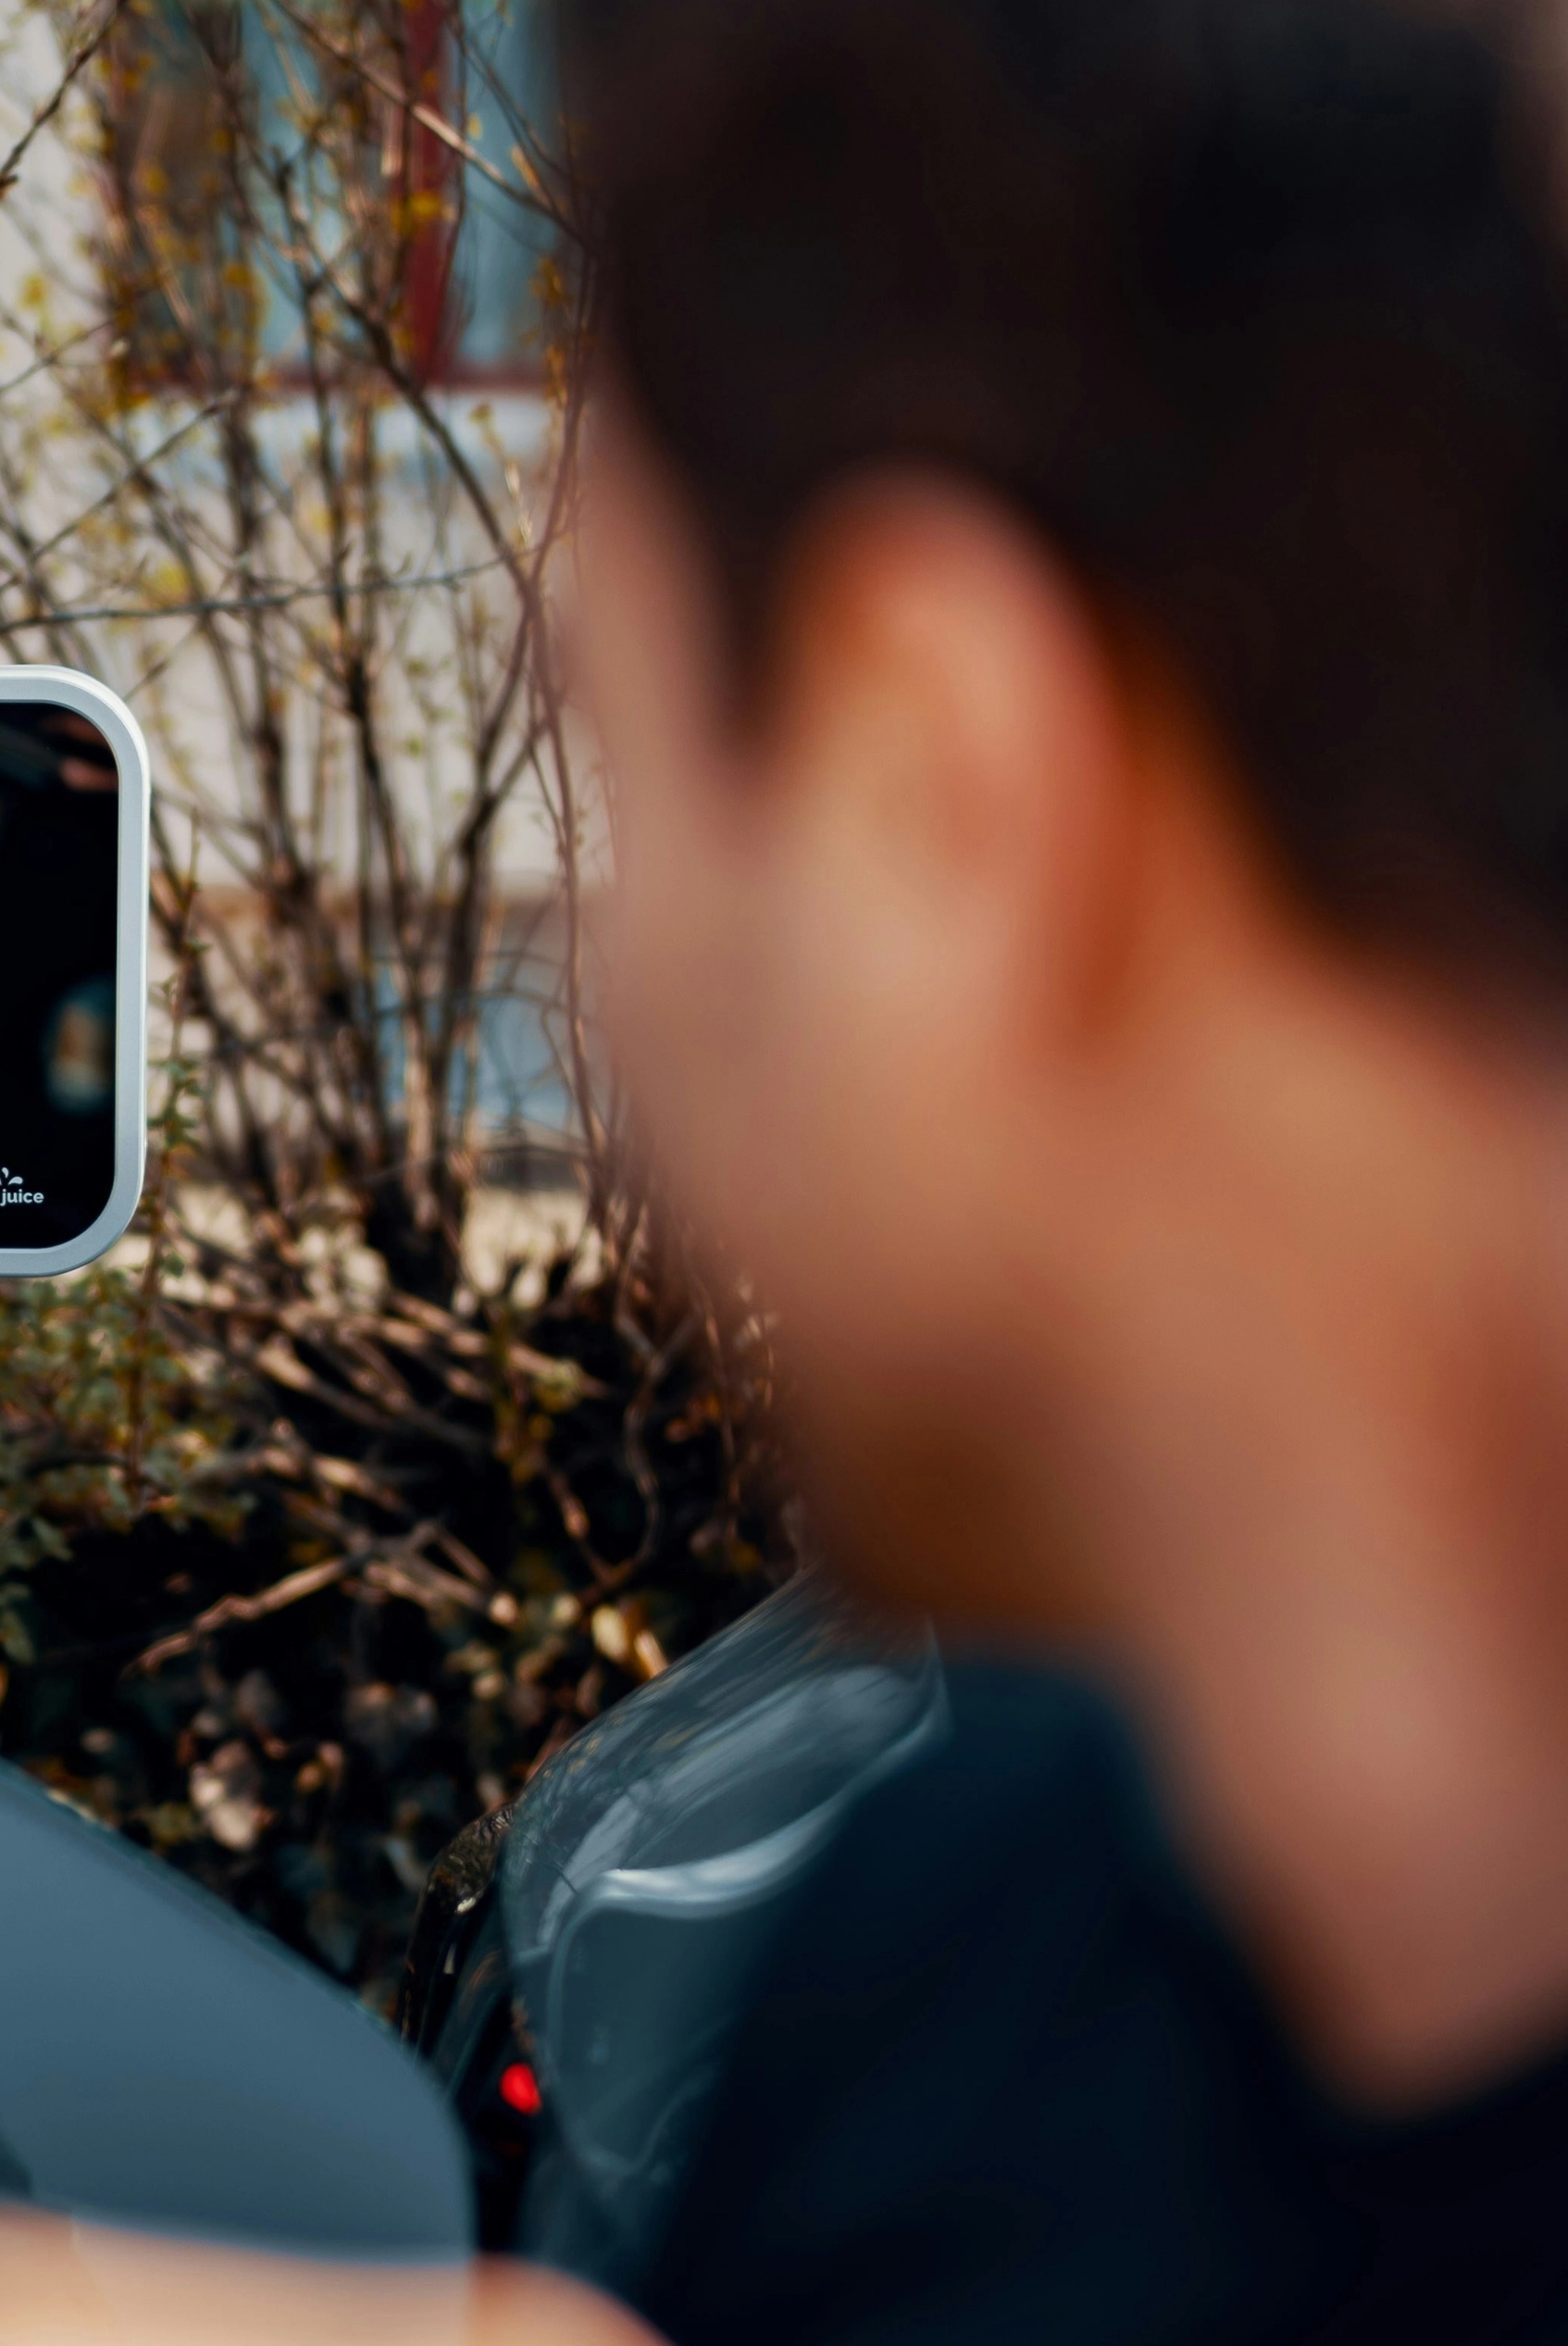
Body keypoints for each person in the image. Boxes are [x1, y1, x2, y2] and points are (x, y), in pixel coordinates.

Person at [552, 0, 1568, 2334]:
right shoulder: (958, 1943)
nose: (621, 989)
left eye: (630, 772)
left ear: (941, 781)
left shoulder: (927, 1982)